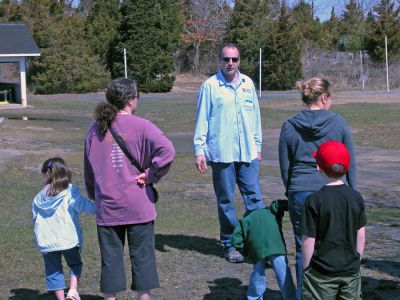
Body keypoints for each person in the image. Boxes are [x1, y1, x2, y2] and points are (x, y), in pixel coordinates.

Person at [84, 77, 175, 300]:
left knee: (110, 259)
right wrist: (152, 175)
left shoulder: (94, 130)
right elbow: (168, 151)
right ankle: (143, 297)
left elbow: (89, 171)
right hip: (138, 205)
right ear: (132, 99)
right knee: (143, 257)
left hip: (108, 205)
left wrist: (95, 197)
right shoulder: (143, 126)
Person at [278, 77, 356, 299]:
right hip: (335, 192)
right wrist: (352, 193)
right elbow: (350, 162)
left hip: (300, 191)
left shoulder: (290, 124)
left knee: (304, 248)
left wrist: (291, 190)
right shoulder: (338, 122)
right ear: (324, 98)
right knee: (336, 244)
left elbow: (286, 167)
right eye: (330, 98)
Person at [193, 43, 264, 263]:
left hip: (247, 153)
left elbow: (256, 118)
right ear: (220, 61)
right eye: (226, 59)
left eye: (234, 59)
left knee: (255, 201)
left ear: (240, 61)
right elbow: (202, 119)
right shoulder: (210, 86)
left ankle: (255, 243)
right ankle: (230, 244)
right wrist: (200, 150)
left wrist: (257, 145)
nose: (230, 63)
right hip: (222, 154)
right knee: (225, 201)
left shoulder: (248, 84)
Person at [301, 141, 366, 299]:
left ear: (318, 168)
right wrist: (357, 259)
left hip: (321, 273)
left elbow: (309, 240)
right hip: (350, 270)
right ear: (346, 168)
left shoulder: (313, 201)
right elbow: (361, 234)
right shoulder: (356, 197)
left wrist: (306, 268)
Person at [32, 157, 96, 300]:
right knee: (75, 263)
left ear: (45, 174)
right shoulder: (70, 192)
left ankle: (61, 298)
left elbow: (35, 218)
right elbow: (83, 205)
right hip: (68, 240)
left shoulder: (38, 198)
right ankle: (72, 291)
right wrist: (100, 207)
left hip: (47, 242)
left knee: (53, 271)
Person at [231, 200, 296, 300]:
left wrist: (244, 251)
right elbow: (279, 204)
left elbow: (236, 239)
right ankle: (291, 297)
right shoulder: (271, 210)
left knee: (258, 274)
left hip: (257, 250)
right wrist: (293, 202)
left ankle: (254, 297)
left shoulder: (245, 220)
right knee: (282, 272)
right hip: (275, 246)